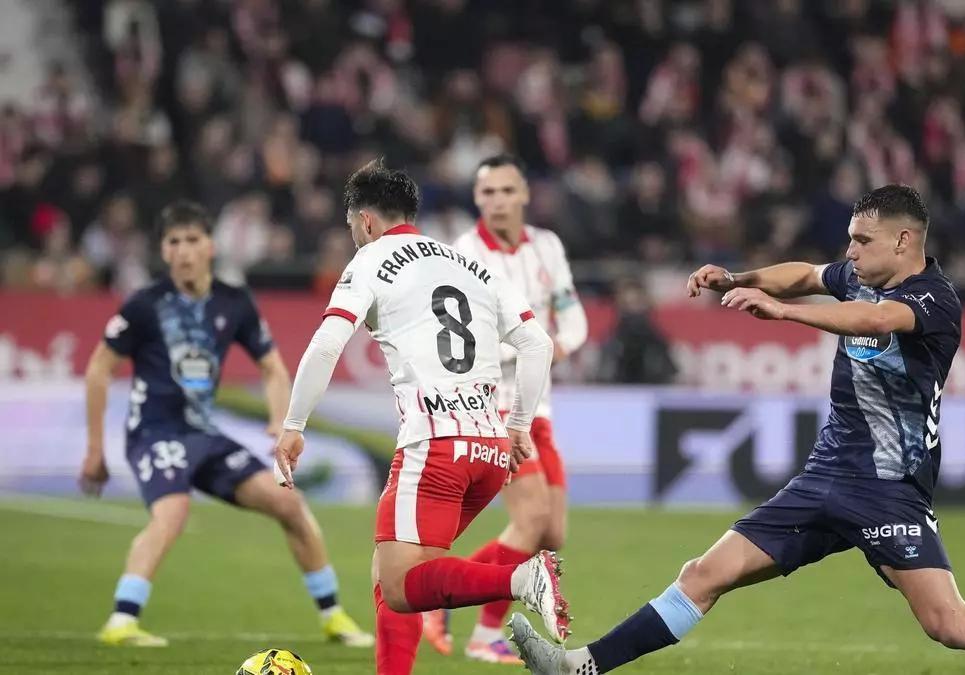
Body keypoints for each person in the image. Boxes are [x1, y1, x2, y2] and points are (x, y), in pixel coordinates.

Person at [509, 185, 965, 675]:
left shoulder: (934, 299)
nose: (850, 253)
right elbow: (805, 274)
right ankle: (580, 665)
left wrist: (784, 313)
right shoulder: (855, 276)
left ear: (904, 242)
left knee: (949, 624)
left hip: (888, 491)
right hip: (824, 476)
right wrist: (740, 277)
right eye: (851, 240)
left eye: (863, 241)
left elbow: (876, 320)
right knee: (703, 574)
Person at [272, 160, 571, 675]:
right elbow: (537, 344)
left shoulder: (370, 260)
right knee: (398, 573)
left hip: (435, 445)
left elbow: (326, 345)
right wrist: (518, 422)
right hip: (490, 449)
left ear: (365, 222)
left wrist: (294, 425)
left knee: (401, 585)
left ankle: (520, 580)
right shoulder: (469, 263)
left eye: (351, 228)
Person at [80, 201, 372, 648]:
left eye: (192, 240)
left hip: (204, 435)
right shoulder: (144, 304)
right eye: (173, 242)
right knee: (172, 512)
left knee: (289, 506)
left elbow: (273, 368)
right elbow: (99, 369)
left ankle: (334, 617)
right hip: (155, 431)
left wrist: (280, 421)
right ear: (164, 249)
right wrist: (96, 449)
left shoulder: (233, 302)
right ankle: (121, 620)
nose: (183, 251)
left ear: (210, 246)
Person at [418, 153, 587, 664]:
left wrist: (561, 346)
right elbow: (461, 341)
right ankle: (481, 631)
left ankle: (440, 592)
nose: (497, 201)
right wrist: (531, 345)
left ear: (524, 195)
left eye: (506, 191)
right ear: (476, 199)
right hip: (493, 405)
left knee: (551, 533)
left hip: (541, 404)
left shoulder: (548, 247)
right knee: (531, 517)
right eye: (487, 192)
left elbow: (572, 313)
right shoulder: (463, 254)